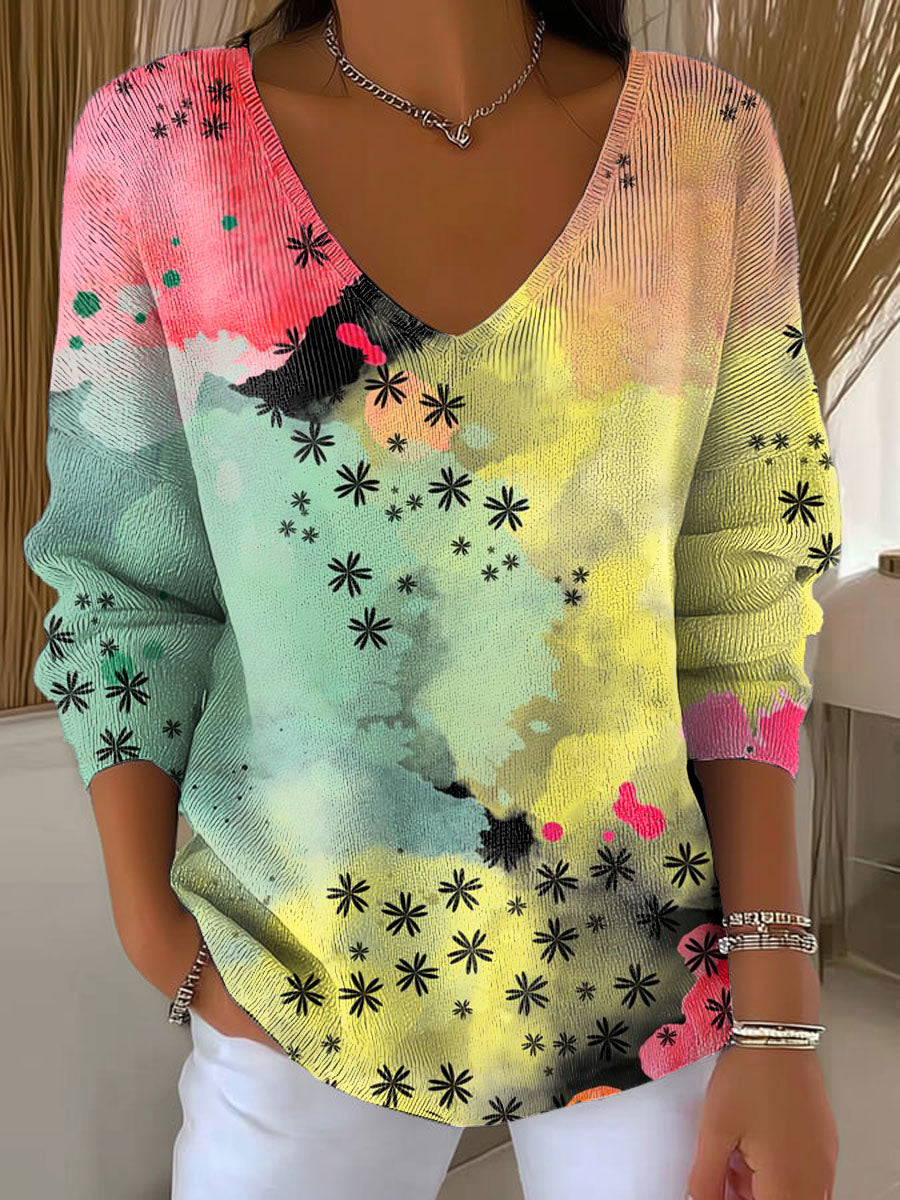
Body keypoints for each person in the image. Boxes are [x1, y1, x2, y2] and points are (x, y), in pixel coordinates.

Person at [23, 1, 842, 1197]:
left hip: (650, 971)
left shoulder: (705, 146)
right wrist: (157, 934)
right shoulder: (161, 143)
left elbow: (744, 597)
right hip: (293, 974)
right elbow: (124, 578)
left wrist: (777, 1017)